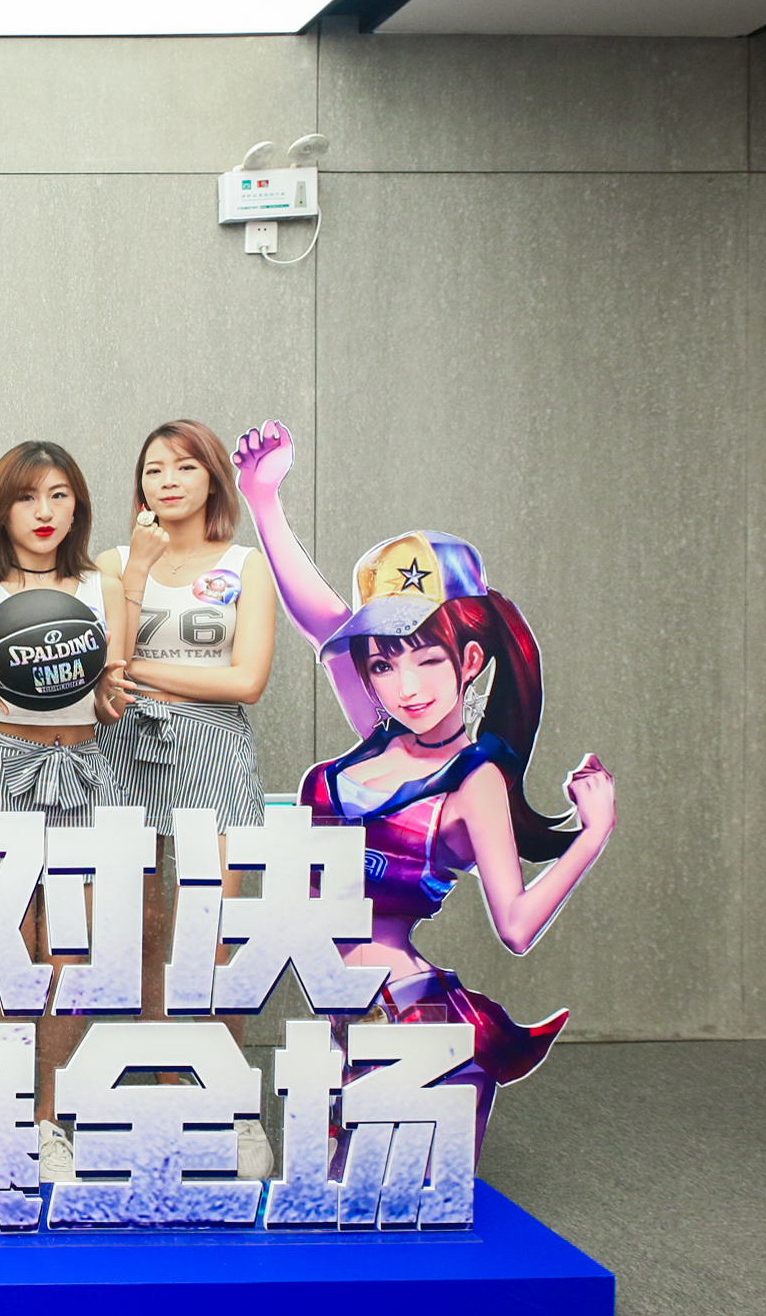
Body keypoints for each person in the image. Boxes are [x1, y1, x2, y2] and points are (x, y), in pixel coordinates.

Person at [232, 420, 615, 1147]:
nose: (404, 686)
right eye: (382, 664)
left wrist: (591, 836)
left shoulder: (473, 782)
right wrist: (264, 501)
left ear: (468, 660)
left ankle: (462, 1073)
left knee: (383, 1200)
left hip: (404, 1019)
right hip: (346, 1019)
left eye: (426, 659)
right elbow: (322, 623)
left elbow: (516, 926)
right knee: (340, 1195)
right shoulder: (381, 733)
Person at [97, 419, 279, 1178]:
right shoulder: (114, 562)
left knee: (214, 929)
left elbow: (246, 681)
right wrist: (136, 576)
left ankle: (227, 1101)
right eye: (152, 469)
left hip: (213, 747)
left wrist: (142, 670)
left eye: (183, 467)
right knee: (140, 928)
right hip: (127, 748)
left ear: (212, 479)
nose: (166, 481)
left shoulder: (245, 564)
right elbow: (104, 673)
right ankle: (164, 1086)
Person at [0, 441, 128, 1183]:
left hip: (83, 770)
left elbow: (109, 705)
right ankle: (3, 1114)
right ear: (2, 510)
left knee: (70, 956)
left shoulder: (101, 586)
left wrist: (111, 693)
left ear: (77, 505)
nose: (44, 511)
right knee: (7, 949)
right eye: (26, 496)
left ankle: (50, 1119)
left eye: (58, 494)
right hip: (2, 769)